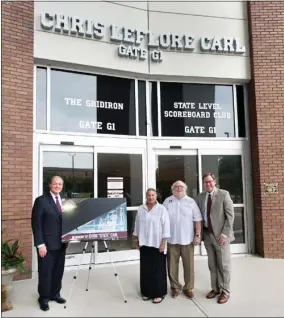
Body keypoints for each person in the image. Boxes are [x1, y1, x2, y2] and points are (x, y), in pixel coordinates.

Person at [195, 173, 234, 304]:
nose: (208, 184)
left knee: (224, 265)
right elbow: (197, 215)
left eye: (210, 181)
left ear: (214, 181)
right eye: (205, 182)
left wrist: (225, 234)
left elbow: (230, 216)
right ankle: (215, 288)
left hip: (221, 236)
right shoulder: (200, 197)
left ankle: (225, 291)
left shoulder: (224, 194)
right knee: (212, 265)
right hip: (207, 235)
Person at [31, 176, 67, 311]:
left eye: (60, 184)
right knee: (45, 272)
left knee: (58, 271)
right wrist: (40, 244)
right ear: (50, 185)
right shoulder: (41, 201)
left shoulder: (64, 201)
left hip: (62, 243)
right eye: (55, 184)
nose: (58, 186)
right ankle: (44, 298)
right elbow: (36, 224)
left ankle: (55, 294)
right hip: (46, 245)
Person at [163, 180, 202, 299]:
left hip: (187, 240)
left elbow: (197, 220)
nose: (178, 188)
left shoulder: (191, 202)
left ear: (184, 189)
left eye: (181, 186)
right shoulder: (167, 201)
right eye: (176, 186)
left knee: (189, 266)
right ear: (173, 189)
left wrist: (197, 235)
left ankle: (188, 288)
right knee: (171, 266)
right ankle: (175, 287)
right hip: (171, 240)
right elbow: (161, 219)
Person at [133, 188, 170, 304]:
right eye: (148, 195)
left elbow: (166, 227)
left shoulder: (162, 209)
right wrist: (137, 240)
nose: (150, 197)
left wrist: (163, 243)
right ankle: (146, 292)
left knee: (158, 270)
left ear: (156, 196)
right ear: (146, 196)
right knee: (145, 269)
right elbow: (137, 225)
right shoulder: (141, 209)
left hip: (157, 243)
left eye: (153, 195)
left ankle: (159, 293)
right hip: (144, 243)